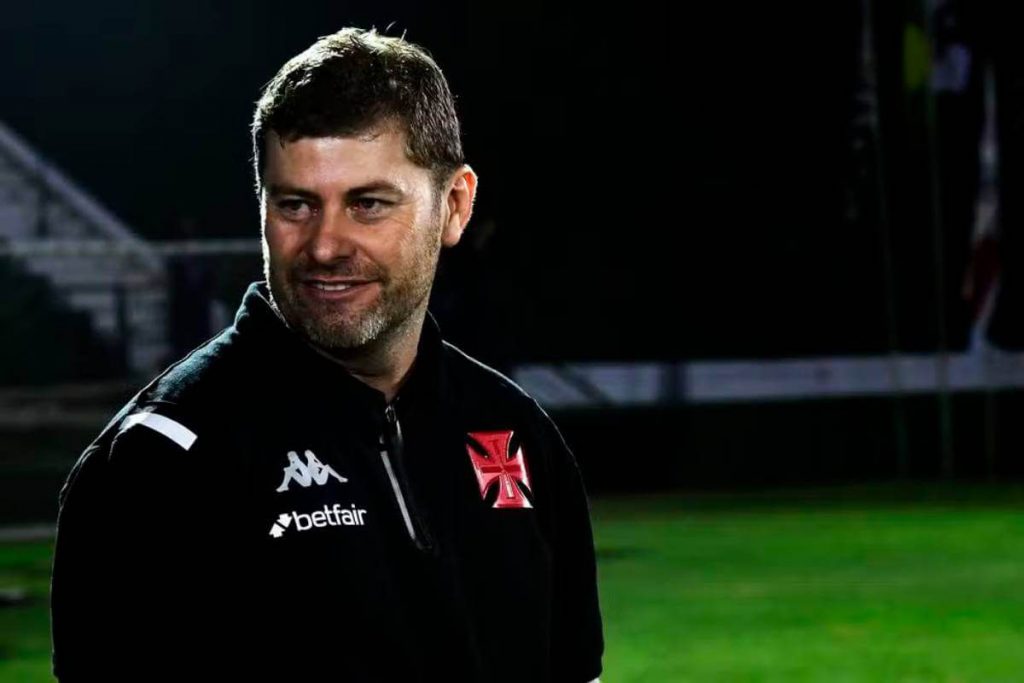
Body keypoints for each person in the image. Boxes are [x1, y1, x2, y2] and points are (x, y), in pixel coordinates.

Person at [48, 26, 604, 682]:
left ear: (454, 206)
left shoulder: (519, 435)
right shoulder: (161, 460)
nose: (324, 245)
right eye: (296, 205)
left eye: (367, 204)